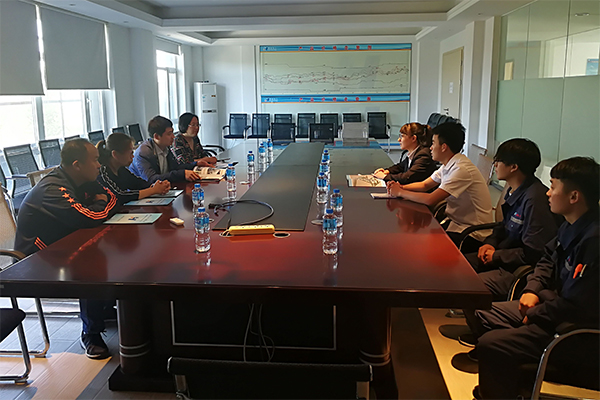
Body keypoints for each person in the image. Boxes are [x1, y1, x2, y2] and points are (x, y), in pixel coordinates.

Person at [466, 157, 599, 400]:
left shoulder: (593, 242)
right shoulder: (570, 225)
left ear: (574, 196)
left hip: (574, 332)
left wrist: (536, 312)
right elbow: (547, 259)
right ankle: (512, 384)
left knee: (492, 344)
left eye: (553, 187)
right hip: (551, 308)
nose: (548, 192)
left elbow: (577, 305)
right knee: (484, 313)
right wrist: (532, 290)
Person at [14, 138, 119, 360]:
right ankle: (91, 333)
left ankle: (103, 308)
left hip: (61, 244)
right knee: (91, 264)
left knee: (106, 249)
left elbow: (112, 198)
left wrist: (101, 203)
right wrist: (100, 204)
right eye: (95, 160)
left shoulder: (83, 179)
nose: (99, 165)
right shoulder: (52, 189)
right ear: (77, 165)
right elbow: (91, 217)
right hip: (35, 259)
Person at [465, 138, 562, 300]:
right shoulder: (514, 190)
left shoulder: (535, 199)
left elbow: (534, 253)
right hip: (503, 256)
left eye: (498, 161)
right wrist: (490, 243)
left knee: (466, 281)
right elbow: (503, 226)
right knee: (457, 266)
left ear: (513, 167)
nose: (495, 165)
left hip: (518, 270)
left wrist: (496, 256)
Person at [387, 122, 493, 253]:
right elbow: (425, 185)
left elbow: (430, 199)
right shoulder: (449, 164)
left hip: (472, 234)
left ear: (444, 147)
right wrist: (401, 187)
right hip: (455, 224)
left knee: (420, 248)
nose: (430, 148)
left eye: (433, 143)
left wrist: (400, 192)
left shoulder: (461, 169)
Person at [97, 133, 171, 204]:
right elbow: (119, 196)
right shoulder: (103, 172)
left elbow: (139, 184)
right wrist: (153, 190)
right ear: (115, 154)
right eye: (130, 153)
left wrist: (158, 186)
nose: (133, 156)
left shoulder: (121, 169)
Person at [129, 115, 202, 183]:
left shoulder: (165, 146)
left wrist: (195, 164)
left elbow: (175, 167)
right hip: (145, 190)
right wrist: (182, 174)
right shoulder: (144, 153)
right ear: (156, 136)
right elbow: (151, 179)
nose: (173, 137)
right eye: (169, 134)